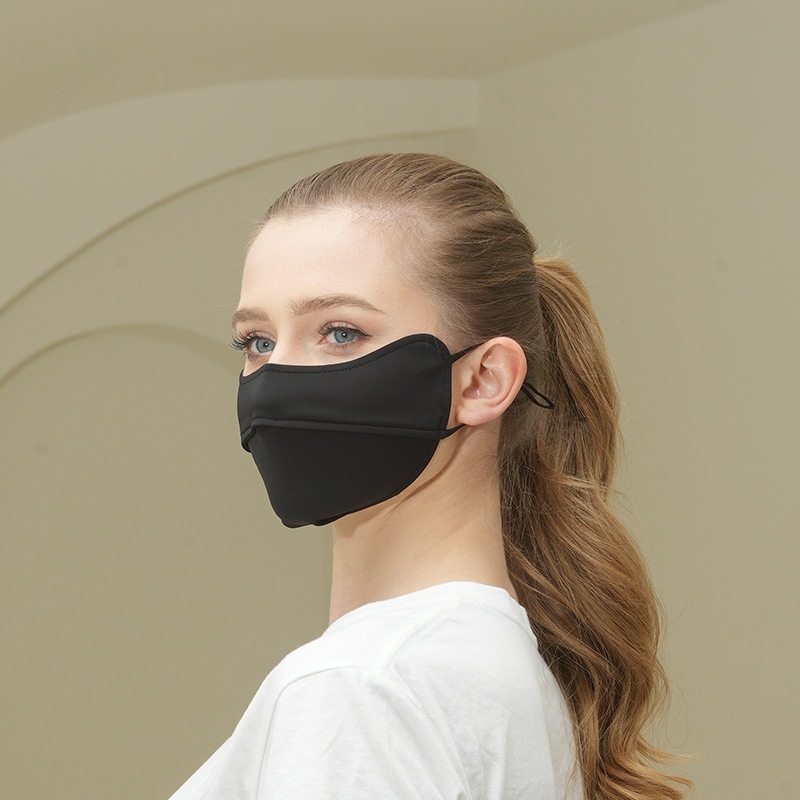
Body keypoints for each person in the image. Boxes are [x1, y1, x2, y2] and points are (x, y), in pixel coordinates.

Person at [169, 153, 690, 799]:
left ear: (483, 380)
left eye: (340, 332)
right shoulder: (498, 671)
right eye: (257, 341)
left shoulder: (364, 686)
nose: (276, 381)